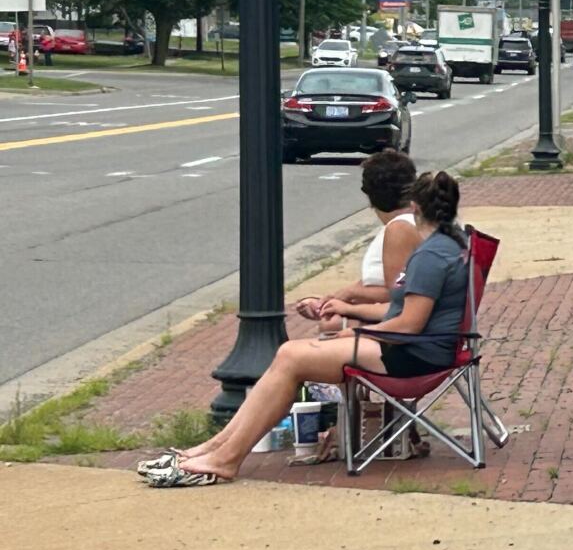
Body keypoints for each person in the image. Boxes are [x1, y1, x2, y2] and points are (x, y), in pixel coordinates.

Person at [140, 172, 473, 487]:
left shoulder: (430, 256)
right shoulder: (449, 245)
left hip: (413, 356)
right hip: (417, 347)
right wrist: (350, 310)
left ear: (415, 207)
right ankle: (216, 447)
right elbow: (405, 312)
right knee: (289, 354)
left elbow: (410, 324)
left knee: (292, 358)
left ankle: (225, 458)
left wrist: (358, 333)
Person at [290, 148, 420, 326]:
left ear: (369, 195)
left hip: (406, 326)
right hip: (405, 318)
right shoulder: (416, 221)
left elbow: (397, 295)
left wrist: (349, 299)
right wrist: (333, 299)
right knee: (331, 321)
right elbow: (381, 283)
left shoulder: (400, 229)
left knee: (331, 325)